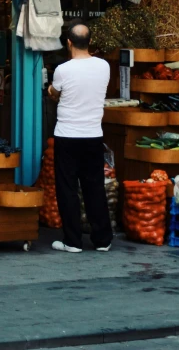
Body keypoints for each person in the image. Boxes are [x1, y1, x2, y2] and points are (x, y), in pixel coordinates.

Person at [48, 19, 113, 253]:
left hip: (67, 135)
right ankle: (103, 240)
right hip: (93, 135)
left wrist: (51, 91)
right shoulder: (104, 66)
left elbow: (55, 93)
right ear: (90, 42)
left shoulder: (63, 70)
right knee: (94, 187)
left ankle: (73, 241)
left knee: (67, 188)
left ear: (68, 43)